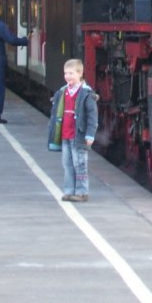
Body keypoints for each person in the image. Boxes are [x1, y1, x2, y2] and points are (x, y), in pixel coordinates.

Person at [47, 59, 98, 202]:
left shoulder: (86, 94)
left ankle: (82, 192)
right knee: (67, 164)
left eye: (71, 73)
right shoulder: (63, 92)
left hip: (78, 136)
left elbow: (92, 116)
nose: (68, 76)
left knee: (79, 164)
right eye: (65, 73)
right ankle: (69, 191)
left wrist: (90, 135)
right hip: (65, 135)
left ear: (80, 73)